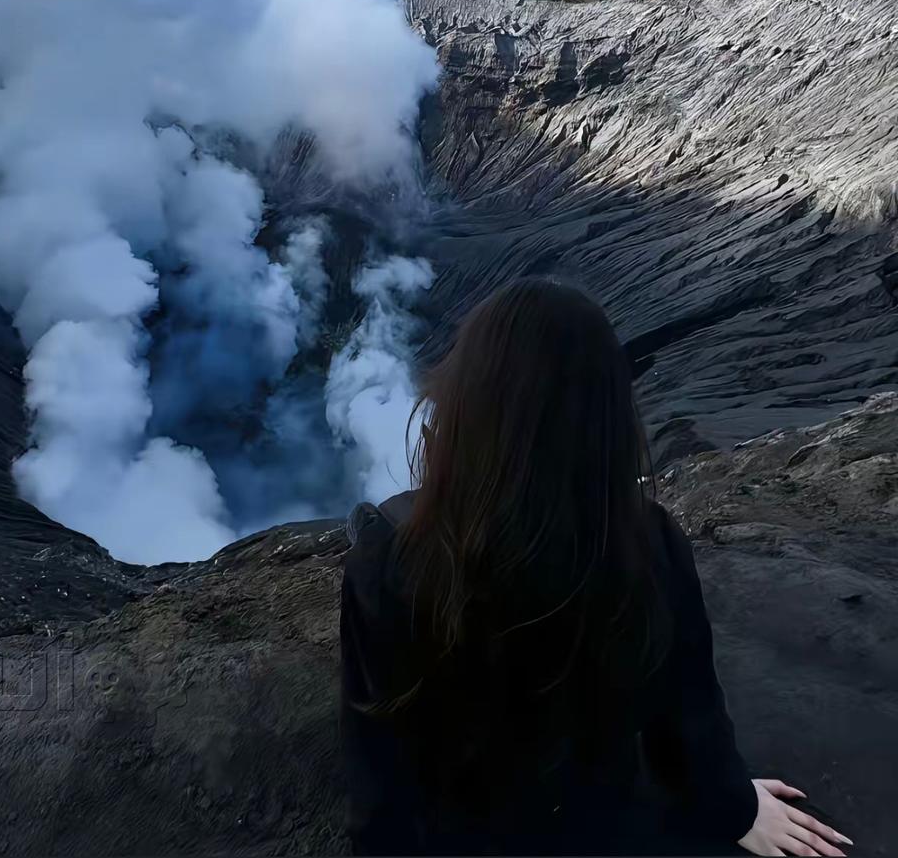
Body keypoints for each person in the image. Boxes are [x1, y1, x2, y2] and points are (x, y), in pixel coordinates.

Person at [339, 277, 853, 857]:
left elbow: (380, 786)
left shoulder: (385, 566)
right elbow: (687, 726)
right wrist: (733, 807)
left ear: (465, 404)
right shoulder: (649, 545)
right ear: (606, 416)